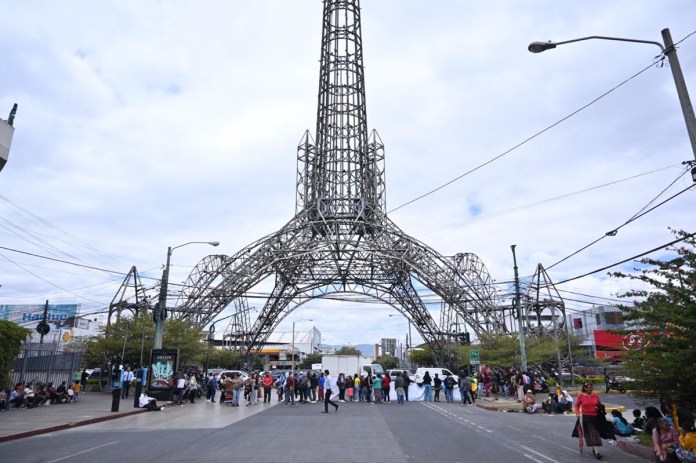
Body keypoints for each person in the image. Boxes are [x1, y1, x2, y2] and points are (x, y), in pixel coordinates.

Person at [575, 382, 604, 459]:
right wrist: (577, 413)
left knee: (595, 433)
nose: (591, 389)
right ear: (585, 388)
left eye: (592, 387)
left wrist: (598, 408)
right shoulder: (581, 396)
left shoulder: (595, 396)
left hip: (596, 417)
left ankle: (594, 448)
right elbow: (577, 405)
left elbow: (600, 405)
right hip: (586, 417)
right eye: (589, 387)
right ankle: (597, 452)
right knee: (593, 433)